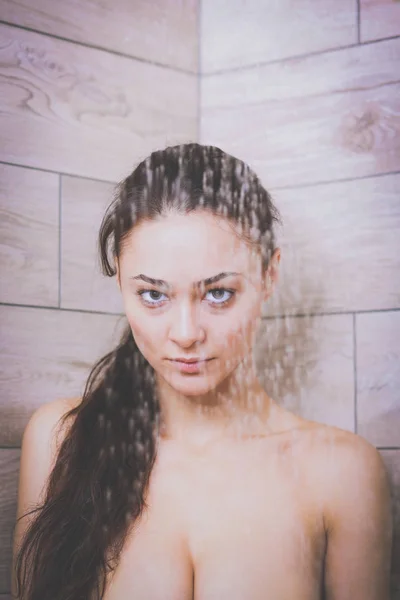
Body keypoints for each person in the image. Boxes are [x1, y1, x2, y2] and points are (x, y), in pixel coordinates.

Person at [12, 143, 393, 599]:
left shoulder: (341, 472)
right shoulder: (62, 440)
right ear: (120, 283)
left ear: (269, 275)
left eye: (217, 293)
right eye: (153, 295)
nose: (187, 333)